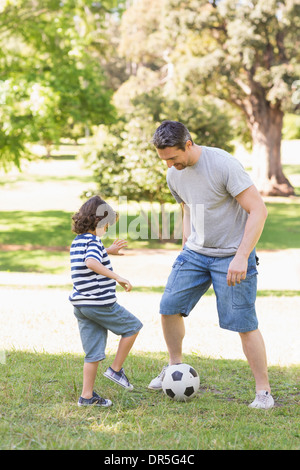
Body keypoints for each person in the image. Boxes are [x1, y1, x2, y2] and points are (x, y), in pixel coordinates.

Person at [148, 120, 274, 409]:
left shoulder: (222, 165)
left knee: (244, 323)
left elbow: (258, 210)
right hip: (195, 253)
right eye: (164, 159)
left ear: (188, 145)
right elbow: (188, 208)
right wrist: (185, 248)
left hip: (232, 253)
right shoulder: (173, 175)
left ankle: (263, 392)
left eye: (173, 158)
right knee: (169, 307)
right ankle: (173, 367)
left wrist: (242, 256)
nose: (169, 165)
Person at [69, 195, 143, 407]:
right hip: (99, 303)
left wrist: (107, 251)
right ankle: (116, 369)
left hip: (81, 305)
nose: (107, 229)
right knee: (133, 327)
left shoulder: (79, 241)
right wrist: (117, 276)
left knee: (92, 354)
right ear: (98, 221)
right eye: (107, 224)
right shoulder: (93, 241)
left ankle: (86, 396)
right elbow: (91, 262)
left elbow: (89, 257)